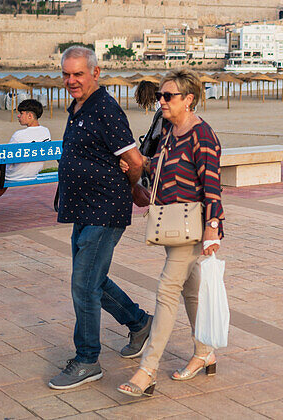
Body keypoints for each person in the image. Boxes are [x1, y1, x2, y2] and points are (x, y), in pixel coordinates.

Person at [48, 46, 152, 391]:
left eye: (78, 74)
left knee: (83, 284)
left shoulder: (105, 109)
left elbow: (134, 159)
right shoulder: (78, 107)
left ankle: (88, 359)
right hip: (84, 208)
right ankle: (139, 323)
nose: (71, 80)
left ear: (95, 72)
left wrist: (135, 186)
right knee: (92, 279)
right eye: (66, 74)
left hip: (104, 209)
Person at [119, 68, 224, 400]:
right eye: (160, 95)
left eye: (168, 96)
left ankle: (147, 370)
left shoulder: (202, 135)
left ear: (188, 99)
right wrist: (141, 165)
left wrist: (212, 230)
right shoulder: (168, 130)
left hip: (193, 225)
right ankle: (205, 351)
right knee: (190, 293)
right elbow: (164, 164)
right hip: (171, 222)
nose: (161, 101)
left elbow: (212, 187)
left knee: (166, 290)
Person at [0, 99, 51, 212]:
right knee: (1, 174)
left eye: (21, 113)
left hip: (16, 175)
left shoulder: (19, 135)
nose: (18, 116)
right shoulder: (46, 131)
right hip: (33, 173)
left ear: (30, 115)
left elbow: (6, 157)